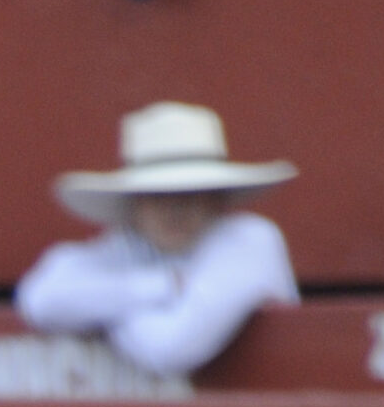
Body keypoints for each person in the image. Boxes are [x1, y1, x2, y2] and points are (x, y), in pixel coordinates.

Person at [15, 102, 298, 377]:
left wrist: (100, 310)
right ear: (134, 207)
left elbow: (170, 349)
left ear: (217, 200)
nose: (174, 211)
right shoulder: (130, 247)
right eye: (157, 196)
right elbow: (42, 300)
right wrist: (164, 285)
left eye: (191, 194)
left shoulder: (250, 241)